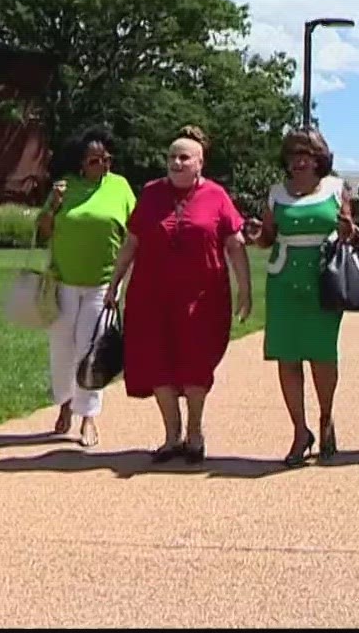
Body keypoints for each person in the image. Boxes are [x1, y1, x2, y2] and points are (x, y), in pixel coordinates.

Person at [106, 125, 253, 465]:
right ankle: (171, 436)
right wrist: (115, 282)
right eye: (171, 156)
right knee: (157, 362)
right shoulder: (151, 193)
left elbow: (235, 243)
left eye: (183, 157)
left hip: (203, 297)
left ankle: (195, 432)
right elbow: (132, 242)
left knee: (195, 364)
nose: (176, 162)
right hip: (151, 295)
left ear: (200, 162)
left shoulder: (217, 196)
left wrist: (245, 287)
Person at [249, 128, 359, 467]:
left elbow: (349, 233)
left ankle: (325, 420)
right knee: (287, 356)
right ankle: (300, 431)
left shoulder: (335, 189)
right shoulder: (275, 194)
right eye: (293, 155)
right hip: (284, 280)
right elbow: (268, 237)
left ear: (319, 159)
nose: (299, 161)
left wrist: (348, 230)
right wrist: (257, 235)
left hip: (323, 279)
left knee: (322, 354)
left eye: (307, 155)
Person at [35, 126, 136, 449]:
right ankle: (65, 403)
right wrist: (53, 206)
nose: (103, 165)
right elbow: (43, 232)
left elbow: (135, 231)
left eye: (107, 159)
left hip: (103, 284)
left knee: (91, 351)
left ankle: (88, 417)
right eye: (94, 160)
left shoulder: (120, 187)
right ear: (81, 162)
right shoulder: (64, 187)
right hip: (63, 281)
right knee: (61, 349)